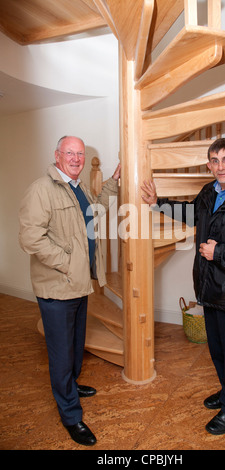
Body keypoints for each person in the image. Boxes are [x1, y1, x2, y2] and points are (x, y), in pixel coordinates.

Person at [142, 137, 225, 435]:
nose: (220, 167)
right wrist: (157, 204)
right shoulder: (208, 191)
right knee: (217, 351)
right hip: (212, 290)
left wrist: (221, 253)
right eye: (214, 161)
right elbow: (193, 214)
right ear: (209, 164)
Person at [19, 136, 120, 446]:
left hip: (79, 283)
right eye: (70, 153)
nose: (76, 158)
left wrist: (113, 183)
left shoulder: (79, 189)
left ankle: (72, 386)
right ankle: (71, 415)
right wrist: (67, 261)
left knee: (76, 341)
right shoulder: (41, 189)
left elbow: (97, 212)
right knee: (61, 354)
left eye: (80, 153)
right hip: (57, 284)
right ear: (57, 155)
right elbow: (30, 238)